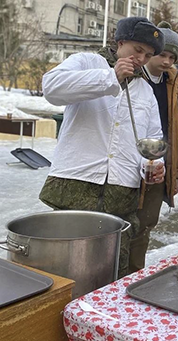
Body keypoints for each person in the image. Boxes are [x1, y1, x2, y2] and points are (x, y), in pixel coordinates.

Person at [39, 17, 166, 278]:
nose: (142, 58)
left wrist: (151, 166)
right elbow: (51, 87)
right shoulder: (87, 62)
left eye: (148, 54)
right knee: (66, 271)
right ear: (120, 43)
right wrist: (111, 77)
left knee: (110, 273)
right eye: (137, 50)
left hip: (121, 195)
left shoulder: (146, 91)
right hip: (75, 185)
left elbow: (150, 140)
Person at [128, 21, 178, 273]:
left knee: (146, 225)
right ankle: (119, 278)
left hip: (158, 165)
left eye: (173, 57)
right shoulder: (135, 79)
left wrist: (175, 170)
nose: (167, 61)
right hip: (129, 165)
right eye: (162, 54)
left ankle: (133, 275)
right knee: (128, 226)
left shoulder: (174, 84)